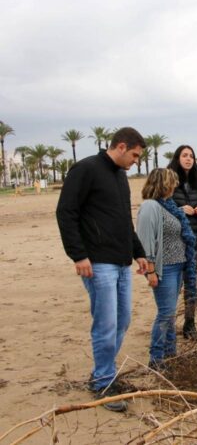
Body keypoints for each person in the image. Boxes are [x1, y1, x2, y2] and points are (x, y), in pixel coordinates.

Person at [56, 127, 148, 413]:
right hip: (97, 263)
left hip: (121, 262)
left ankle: (102, 372)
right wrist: (78, 255)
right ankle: (104, 383)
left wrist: (139, 253)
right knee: (106, 324)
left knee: (122, 321)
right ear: (121, 147)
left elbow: (124, 221)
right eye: (134, 155)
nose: (136, 161)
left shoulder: (121, 178)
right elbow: (66, 212)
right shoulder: (85, 169)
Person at [137, 168, 197, 370]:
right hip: (166, 269)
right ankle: (156, 358)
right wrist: (151, 270)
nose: (175, 186)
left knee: (170, 313)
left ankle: (170, 353)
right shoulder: (150, 206)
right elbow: (145, 241)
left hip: (179, 266)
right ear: (163, 183)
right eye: (172, 182)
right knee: (165, 313)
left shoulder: (168, 206)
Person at [167, 145, 197, 340]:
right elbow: (162, 209)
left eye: (191, 156)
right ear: (177, 158)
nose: (189, 159)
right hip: (175, 243)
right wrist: (179, 210)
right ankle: (168, 325)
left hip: (195, 242)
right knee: (174, 286)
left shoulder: (196, 183)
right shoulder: (168, 183)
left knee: (192, 285)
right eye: (184, 155)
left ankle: (189, 325)